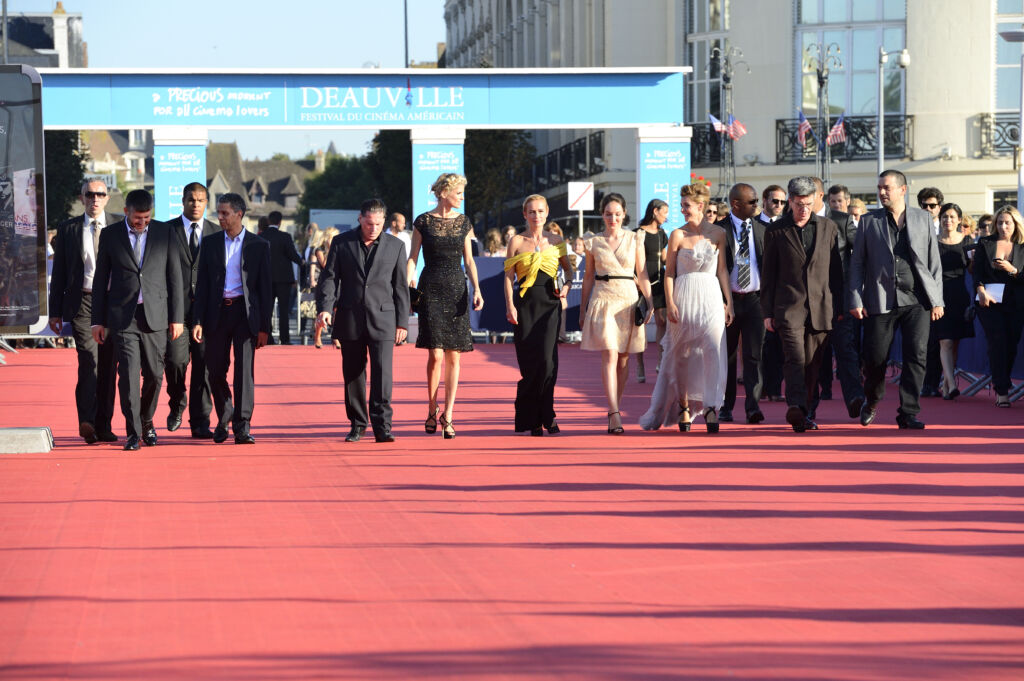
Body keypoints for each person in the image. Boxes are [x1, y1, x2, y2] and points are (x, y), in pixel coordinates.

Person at [849, 170, 944, 430]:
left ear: (903, 190)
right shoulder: (869, 221)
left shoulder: (923, 218)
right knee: (875, 357)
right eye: (879, 187)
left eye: (886, 187)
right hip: (880, 298)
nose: (881, 192)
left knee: (917, 355)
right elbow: (857, 263)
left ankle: (908, 412)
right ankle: (872, 400)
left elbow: (934, 261)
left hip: (917, 299)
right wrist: (856, 298)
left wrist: (937, 300)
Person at [90, 190, 184, 451]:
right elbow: (101, 280)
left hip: (156, 315)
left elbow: (175, 277)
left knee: (154, 374)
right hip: (123, 317)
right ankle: (133, 432)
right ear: (126, 212)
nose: (142, 222)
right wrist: (97, 320)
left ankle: (147, 419)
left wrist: (177, 317)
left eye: (146, 217)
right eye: (137, 218)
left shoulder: (165, 233)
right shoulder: (110, 235)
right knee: (129, 375)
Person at [640, 183, 730, 433]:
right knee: (681, 355)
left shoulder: (719, 234)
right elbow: (669, 273)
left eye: (686, 206)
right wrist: (670, 303)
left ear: (700, 206)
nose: (682, 210)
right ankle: (683, 405)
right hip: (683, 297)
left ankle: (711, 406)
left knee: (712, 350)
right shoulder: (677, 235)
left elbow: (722, 270)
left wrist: (729, 302)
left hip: (711, 297)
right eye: (681, 206)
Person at [317, 199, 409, 442]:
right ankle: (357, 424)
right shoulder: (341, 242)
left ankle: (383, 426)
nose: (373, 228)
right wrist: (325, 309)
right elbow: (329, 278)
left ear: (384, 221)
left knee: (383, 374)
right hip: (350, 317)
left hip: (384, 318)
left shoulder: (396, 246)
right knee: (353, 374)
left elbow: (400, 286)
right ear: (360, 219)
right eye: (369, 223)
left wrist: (403, 322)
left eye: (378, 224)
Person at [761, 177, 843, 433]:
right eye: (798, 204)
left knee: (813, 364)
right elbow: (768, 274)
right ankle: (796, 406)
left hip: (821, 309)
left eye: (808, 204)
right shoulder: (776, 230)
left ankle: (807, 411)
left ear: (815, 200)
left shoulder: (828, 227)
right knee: (794, 358)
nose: (804, 209)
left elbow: (836, 272)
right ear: (790, 201)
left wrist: (839, 307)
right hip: (789, 307)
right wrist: (767, 312)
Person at [407, 173, 484, 439]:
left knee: (454, 355)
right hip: (431, 288)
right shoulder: (423, 221)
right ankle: (432, 407)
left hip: (456, 289)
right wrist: (407, 282)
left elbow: (469, 261)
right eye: (459, 192)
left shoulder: (464, 222)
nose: (462, 197)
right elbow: (412, 257)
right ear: (443, 193)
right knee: (436, 354)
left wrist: (477, 289)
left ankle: (448, 414)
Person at [192, 193, 273, 444]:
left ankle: (242, 425)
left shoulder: (259, 245)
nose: (220, 217)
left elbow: (265, 290)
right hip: (216, 313)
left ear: (239, 214)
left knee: (244, 371)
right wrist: (197, 320)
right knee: (215, 369)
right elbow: (202, 285)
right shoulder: (210, 243)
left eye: (225, 213)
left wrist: (264, 327)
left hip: (245, 314)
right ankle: (225, 411)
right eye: (219, 212)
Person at [48, 180, 121, 444]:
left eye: (100, 194)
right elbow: (59, 272)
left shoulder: (119, 225)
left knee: (108, 366)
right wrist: (55, 312)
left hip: (113, 304)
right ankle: (87, 421)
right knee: (89, 361)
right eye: (90, 194)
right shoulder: (68, 229)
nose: (95, 199)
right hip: (83, 303)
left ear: (107, 198)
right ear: (82, 198)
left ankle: (104, 425)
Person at [579, 193, 653, 434]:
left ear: (624, 214)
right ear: (602, 215)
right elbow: (588, 277)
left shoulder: (635, 238)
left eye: (617, 214)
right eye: (608, 214)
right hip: (603, 299)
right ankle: (613, 412)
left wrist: (650, 301)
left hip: (628, 299)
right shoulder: (593, 242)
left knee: (623, 358)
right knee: (610, 353)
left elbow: (642, 272)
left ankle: (615, 407)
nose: (613, 218)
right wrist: (583, 308)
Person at [503, 195, 573, 435]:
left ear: (547, 213)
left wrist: (566, 287)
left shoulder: (556, 241)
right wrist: (510, 306)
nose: (536, 216)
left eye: (540, 211)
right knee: (529, 363)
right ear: (525, 214)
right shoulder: (516, 241)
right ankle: (532, 419)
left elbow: (568, 271)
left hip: (550, 305)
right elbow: (508, 277)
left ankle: (548, 414)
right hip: (524, 305)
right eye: (532, 212)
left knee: (548, 362)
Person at [163, 182, 220, 439]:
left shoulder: (217, 233)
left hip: (207, 314)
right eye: (191, 200)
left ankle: (200, 421)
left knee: (203, 368)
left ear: (206, 202)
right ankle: (177, 401)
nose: (195, 204)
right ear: (183, 201)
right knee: (175, 362)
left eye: (200, 200)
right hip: (176, 313)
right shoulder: (166, 231)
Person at [717, 183, 766, 424]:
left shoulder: (763, 229)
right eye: (752, 201)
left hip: (756, 300)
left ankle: (752, 407)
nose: (757, 205)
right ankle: (725, 406)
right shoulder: (719, 230)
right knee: (727, 356)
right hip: (728, 301)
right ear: (735, 204)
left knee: (754, 355)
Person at [973, 205, 1024, 408]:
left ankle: (1004, 382)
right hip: (990, 301)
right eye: (1000, 222)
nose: (1003, 227)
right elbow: (977, 272)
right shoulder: (985, 243)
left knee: (1011, 345)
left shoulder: (1022, 246)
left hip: (1016, 303)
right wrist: (980, 290)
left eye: (1007, 223)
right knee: (997, 342)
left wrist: (1012, 270)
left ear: (1016, 224)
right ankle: (1002, 391)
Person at [933, 203, 975, 400]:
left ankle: (945, 384)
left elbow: (972, 270)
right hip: (938, 296)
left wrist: (974, 261)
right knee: (946, 341)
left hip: (959, 295)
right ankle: (951, 385)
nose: (948, 220)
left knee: (955, 342)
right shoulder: (932, 241)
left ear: (959, 220)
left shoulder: (967, 241)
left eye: (952, 217)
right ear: (940, 219)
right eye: (944, 216)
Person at [633, 199, 669, 384]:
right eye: (664, 212)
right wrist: (636, 281)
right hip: (639, 282)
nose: (666, 217)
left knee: (662, 320)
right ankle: (640, 364)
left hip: (659, 281)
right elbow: (631, 261)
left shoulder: (663, 234)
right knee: (639, 324)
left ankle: (661, 361)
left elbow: (665, 259)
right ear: (655, 211)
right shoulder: (637, 233)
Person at [757, 184, 787, 402]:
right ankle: (758, 387)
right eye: (775, 201)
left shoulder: (787, 226)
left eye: (782, 202)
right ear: (764, 200)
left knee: (777, 344)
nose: (778, 205)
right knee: (757, 344)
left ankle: (774, 388)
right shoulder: (752, 225)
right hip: (755, 291)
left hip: (780, 293)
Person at [262, 210, 303, 344]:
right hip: (284, 279)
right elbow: (292, 254)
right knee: (283, 310)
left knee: (267, 309)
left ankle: (267, 338)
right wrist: (301, 262)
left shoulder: (262, 236)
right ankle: (284, 338)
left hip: (266, 278)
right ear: (280, 222)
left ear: (269, 221)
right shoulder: (285, 236)